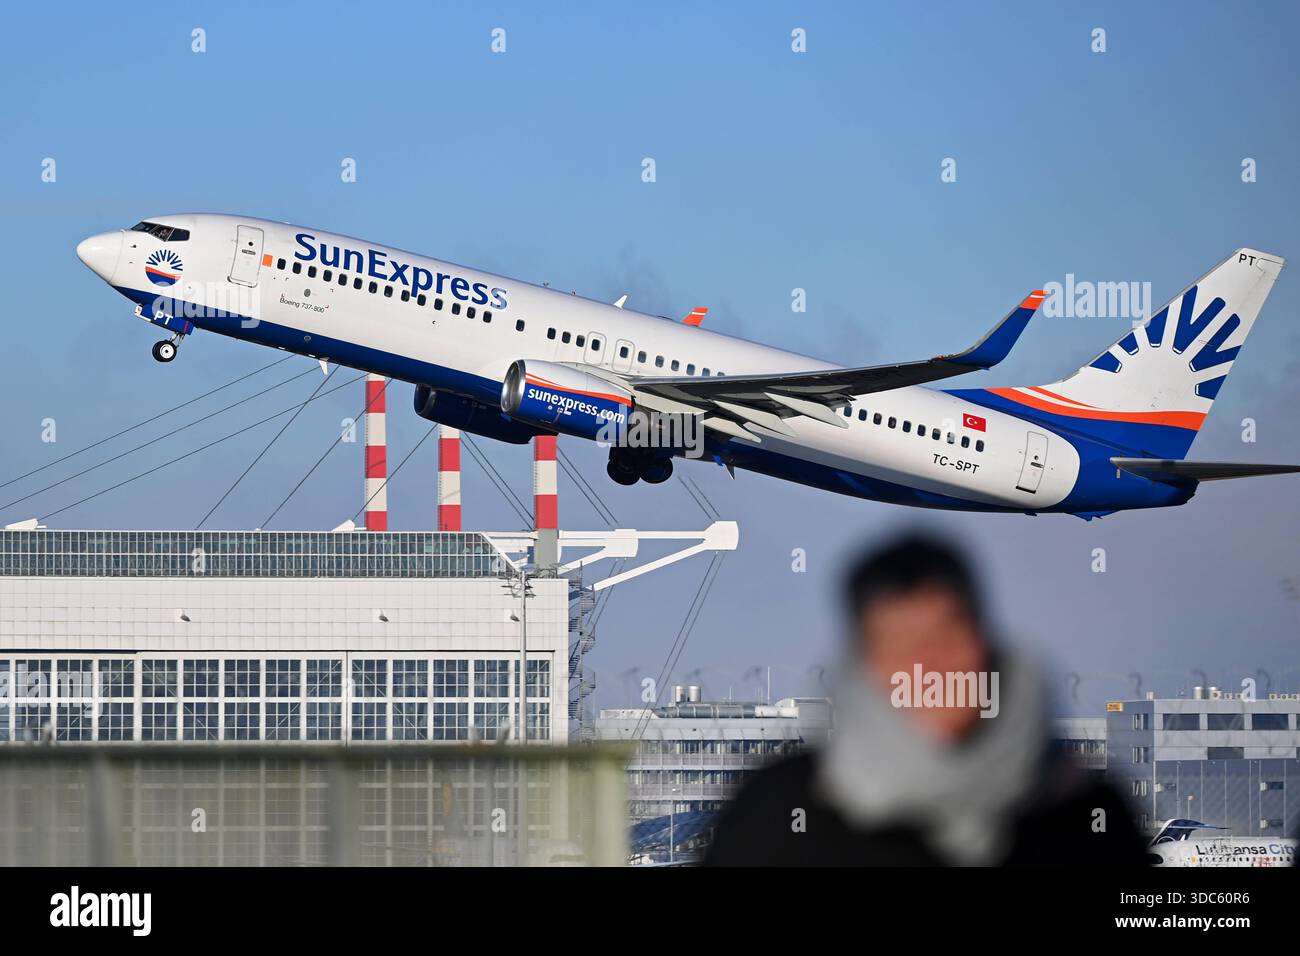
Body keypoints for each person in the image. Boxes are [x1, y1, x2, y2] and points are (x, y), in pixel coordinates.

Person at [704, 533, 1148, 866]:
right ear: (862, 665)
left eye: (946, 636)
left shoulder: (1086, 813)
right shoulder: (779, 812)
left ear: (987, 644)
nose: (928, 665)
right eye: (900, 646)